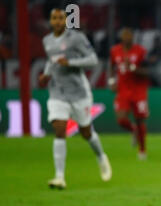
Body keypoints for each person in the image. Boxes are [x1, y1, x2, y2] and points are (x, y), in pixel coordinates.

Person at [39, 8, 112, 189]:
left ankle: (101, 157)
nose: (57, 21)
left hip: (79, 92)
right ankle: (59, 177)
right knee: (59, 129)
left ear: (66, 20)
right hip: (57, 92)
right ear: (50, 21)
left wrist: (70, 63)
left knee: (86, 132)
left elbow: (93, 60)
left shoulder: (76, 39)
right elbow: (51, 60)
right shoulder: (47, 41)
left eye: (60, 18)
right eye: (54, 18)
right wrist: (46, 75)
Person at [109, 28, 150, 160]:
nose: (127, 38)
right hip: (123, 89)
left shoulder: (141, 51)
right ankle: (134, 130)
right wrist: (111, 81)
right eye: (124, 35)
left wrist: (132, 67)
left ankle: (142, 150)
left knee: (139, 119)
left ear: (133, 37)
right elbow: (111, 66)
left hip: (138, 90)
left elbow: (147, 71)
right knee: (121, 119)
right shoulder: (115, 50)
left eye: (129, 35)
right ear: (121, 37)